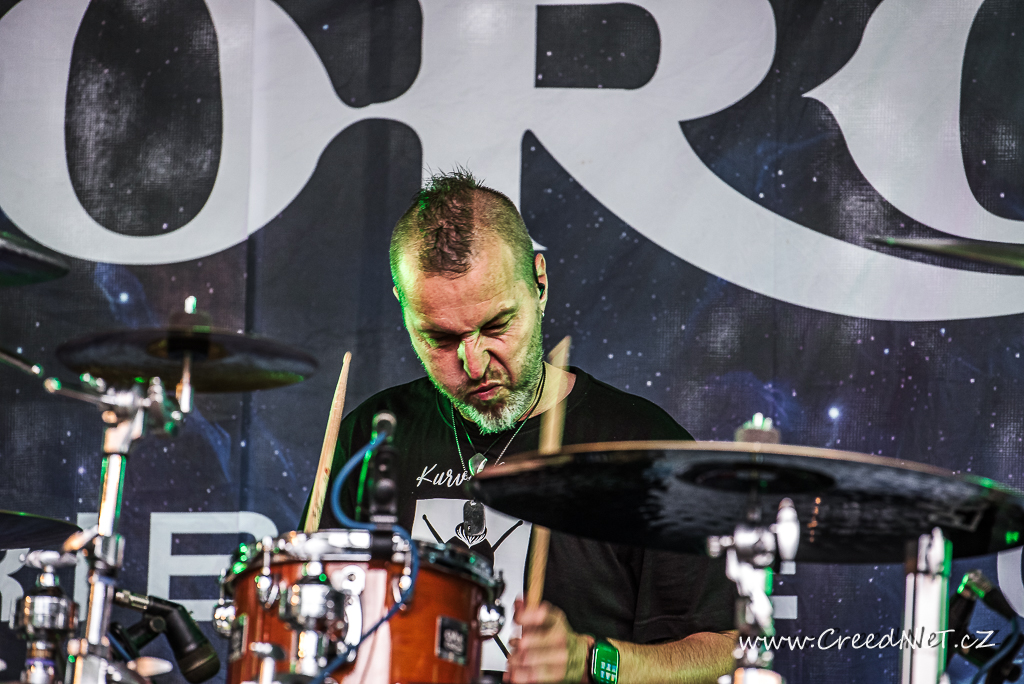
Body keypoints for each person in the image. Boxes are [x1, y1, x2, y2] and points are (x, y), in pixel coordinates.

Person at [299, 170, 736, 683]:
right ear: (405, 308)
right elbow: (314, 629)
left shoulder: (644, 447)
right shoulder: (372, 437)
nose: (474, 363)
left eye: (496, 326)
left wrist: (592, 660)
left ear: (540, 284)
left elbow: (725, 649)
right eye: (440, 339)